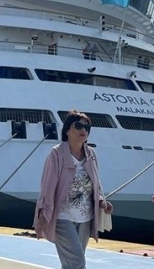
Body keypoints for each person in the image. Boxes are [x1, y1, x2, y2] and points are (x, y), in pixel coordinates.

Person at [33, 110, 113, 269]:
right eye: (79, 126)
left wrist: (102, 202)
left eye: (87, 127)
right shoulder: (57, 154)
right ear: (68, 130)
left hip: (85, 218)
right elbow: (47, 187)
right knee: (77, 263)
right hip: (62, 217)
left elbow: (95, 185)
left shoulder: (91, 154)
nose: (84, 130)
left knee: (71, 264)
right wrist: (43, 216)